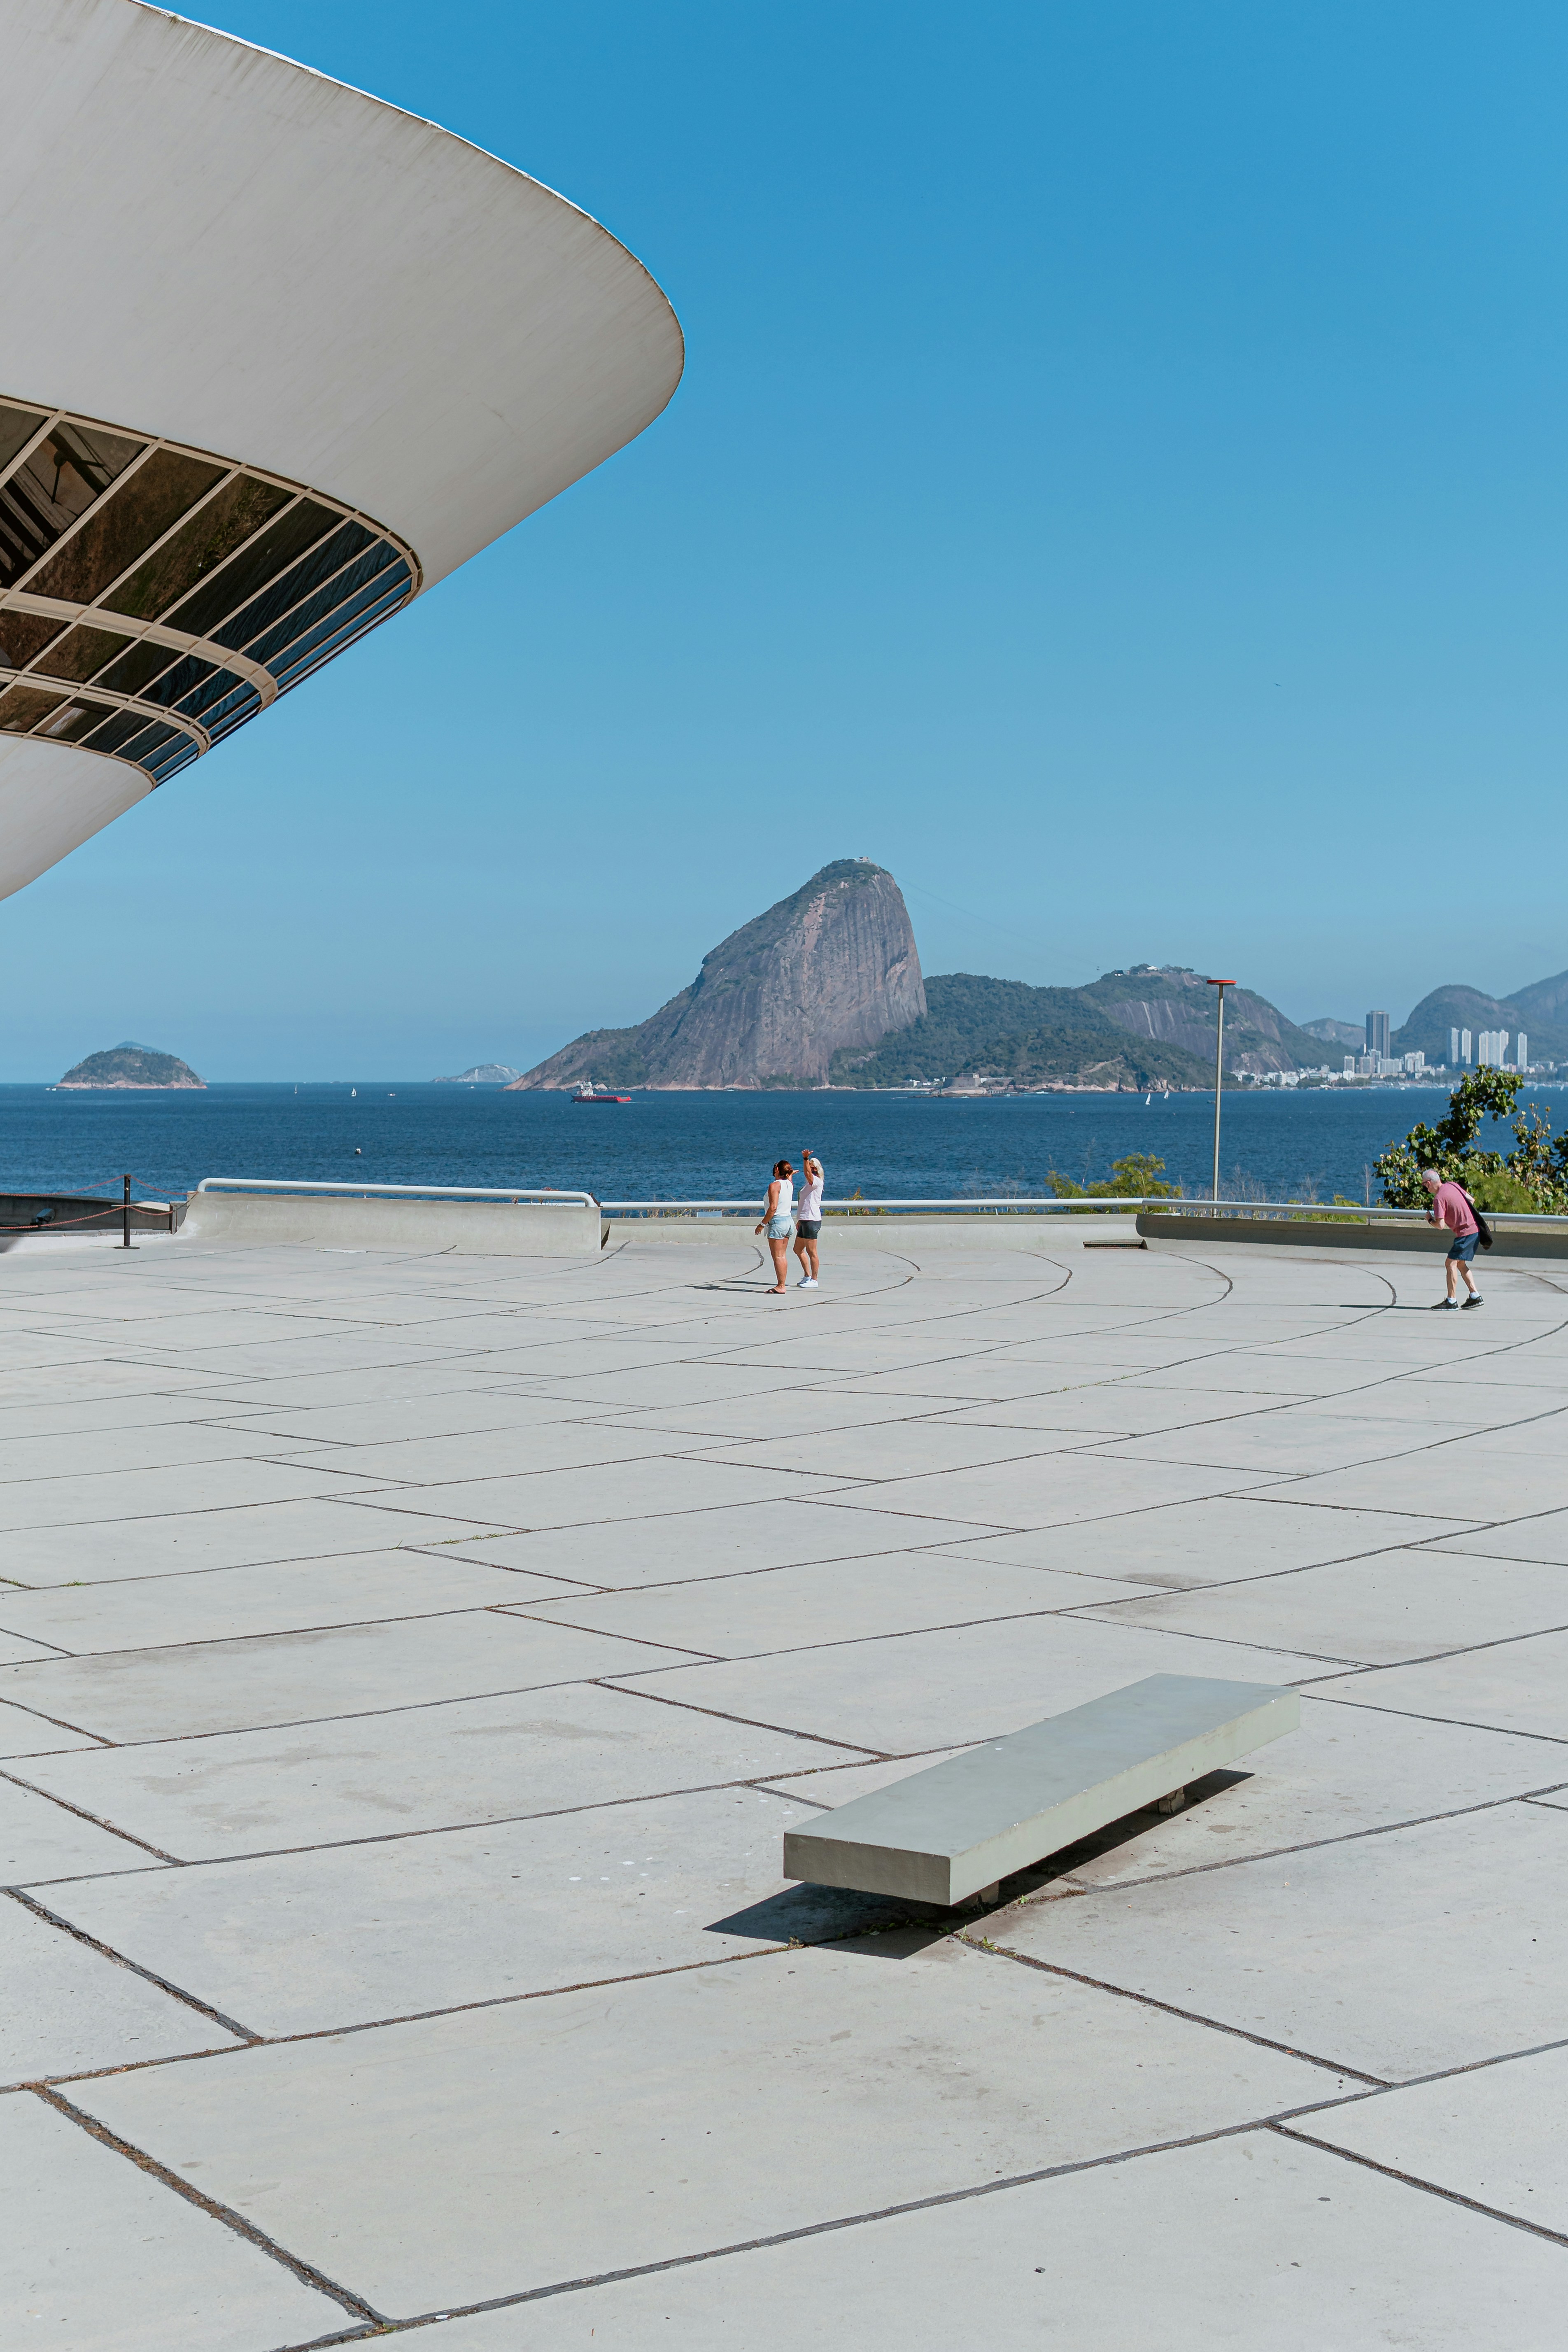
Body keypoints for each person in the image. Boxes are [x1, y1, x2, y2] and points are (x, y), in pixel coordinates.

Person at [1421, 1166, 1483, 1309]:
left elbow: (1441, 1225)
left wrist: (1430, 1220)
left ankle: (1451, 1301)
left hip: (1465, 1234)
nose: (1425, 1188)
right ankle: (1475, 1296)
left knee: (1450, 1264)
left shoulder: (1438, 1199)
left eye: (1424, 1185)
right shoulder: (1452, 1185)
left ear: (1429, 1183)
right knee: (1460, 1264)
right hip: (1474, 1231)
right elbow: (1471, 1200)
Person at [755, 1159, 794, 1294]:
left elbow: (773, 1208)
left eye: (775, 1166)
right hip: (789, 1221)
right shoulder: (789, 1184)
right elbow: (789, 1179)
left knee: (778, 1256)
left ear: (777, 1170)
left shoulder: (774, 1186)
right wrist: (791, 1174)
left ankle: (781, 1285)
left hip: (778, 1223)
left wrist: (762, 1224)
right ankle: (781, 1284)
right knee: (782, 1255)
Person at [794, 1149, 824, 1287]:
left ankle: (815, 1280)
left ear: (816, 1170)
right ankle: (807, 1276)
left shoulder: (816, 1181)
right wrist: (800, 1219)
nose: (810, 1169)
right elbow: (805, 1201)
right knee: (798, 1249)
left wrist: (805, 1159)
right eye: (809, 1166)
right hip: (805, 1220)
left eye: (812, 1167)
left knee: (812, 1252)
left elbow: (807, 1174)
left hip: (812, 1220)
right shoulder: (809, 1184)